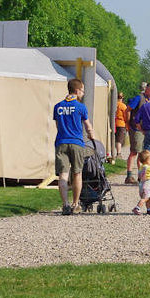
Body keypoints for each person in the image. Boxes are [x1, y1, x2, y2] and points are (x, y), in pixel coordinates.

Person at [52, 78, 95, 215]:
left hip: (61, 142)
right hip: (76, 142)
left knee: (63, 175)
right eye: (82, 91)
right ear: (77, 91)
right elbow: (88, 126)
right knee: (77, 173)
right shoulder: (80, 107)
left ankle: (65, 205)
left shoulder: (58, 106)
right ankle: (75, 204)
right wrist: (91, 135)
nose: (83, 93)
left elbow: (58, 126)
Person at [125, 82, 150, 184]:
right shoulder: (139, 98)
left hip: (144, 129)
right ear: (146, 89)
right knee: (134, 152)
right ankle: (129, 176)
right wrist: (128, 123)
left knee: (142, 153)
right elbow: (128, 109)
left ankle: (140, 175)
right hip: (136, 129)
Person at [132, 150, 150, 215]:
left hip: (142, 185)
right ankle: (137, 208)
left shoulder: (141, 167)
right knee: (145, 198)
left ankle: (149, 209)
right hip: (148, 186)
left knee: (148, 199)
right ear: (147, 160)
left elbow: (139, 176)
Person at [112, 92, 129, 164]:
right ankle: (118, 154)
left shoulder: (113, 105)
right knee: (119, 140)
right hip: (121, 124)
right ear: (122, 98)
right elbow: (126, 116)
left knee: (115, 139)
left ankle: (114, 152)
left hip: (114, 123)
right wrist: (127, 124)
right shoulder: (123, 106)